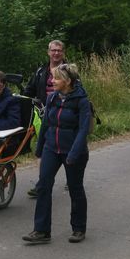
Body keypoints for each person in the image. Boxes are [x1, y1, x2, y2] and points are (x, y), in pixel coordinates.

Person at [22, 63, 91, 244]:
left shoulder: (81, 100)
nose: (52, 81)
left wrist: (74, 154)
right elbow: (45, 124)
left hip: (73, 151)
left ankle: (78, 228)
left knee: (75, 189)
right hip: (52, 148)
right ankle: (41, 231)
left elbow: (84, 130)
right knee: (44, 186)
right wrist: (40, 148)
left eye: (56, 78)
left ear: (67, 81)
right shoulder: (52, 98)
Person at [24, 39, 67, 198]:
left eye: (59, 50)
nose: (56, 53)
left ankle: (69, 176)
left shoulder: (69, 71)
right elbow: (29, 91)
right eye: (53, 50)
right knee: (47, 148)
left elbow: (77, 92)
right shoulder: (41, 71)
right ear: (48, 52)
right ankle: (42, 184)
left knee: (65, 148)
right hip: (44, 115)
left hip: (65, 115)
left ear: (63, 53)